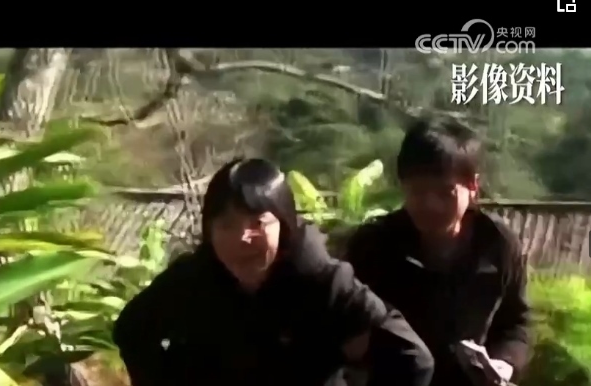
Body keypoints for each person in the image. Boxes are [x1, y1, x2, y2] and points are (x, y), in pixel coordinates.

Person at [113, 158, 434, 386]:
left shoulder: (322, 281)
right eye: (226, 225)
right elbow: (132, 330)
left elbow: (412, 358)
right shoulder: (195, 278)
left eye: (258, 223)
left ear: (284, 224)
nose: (242, 238)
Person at [345, 120, 531, 386]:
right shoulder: (374, 246)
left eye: (446, 193)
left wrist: (505, 363)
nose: (430, 205)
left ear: (473, 187)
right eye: (418, 191)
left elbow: (516, 322)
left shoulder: (497, 244)